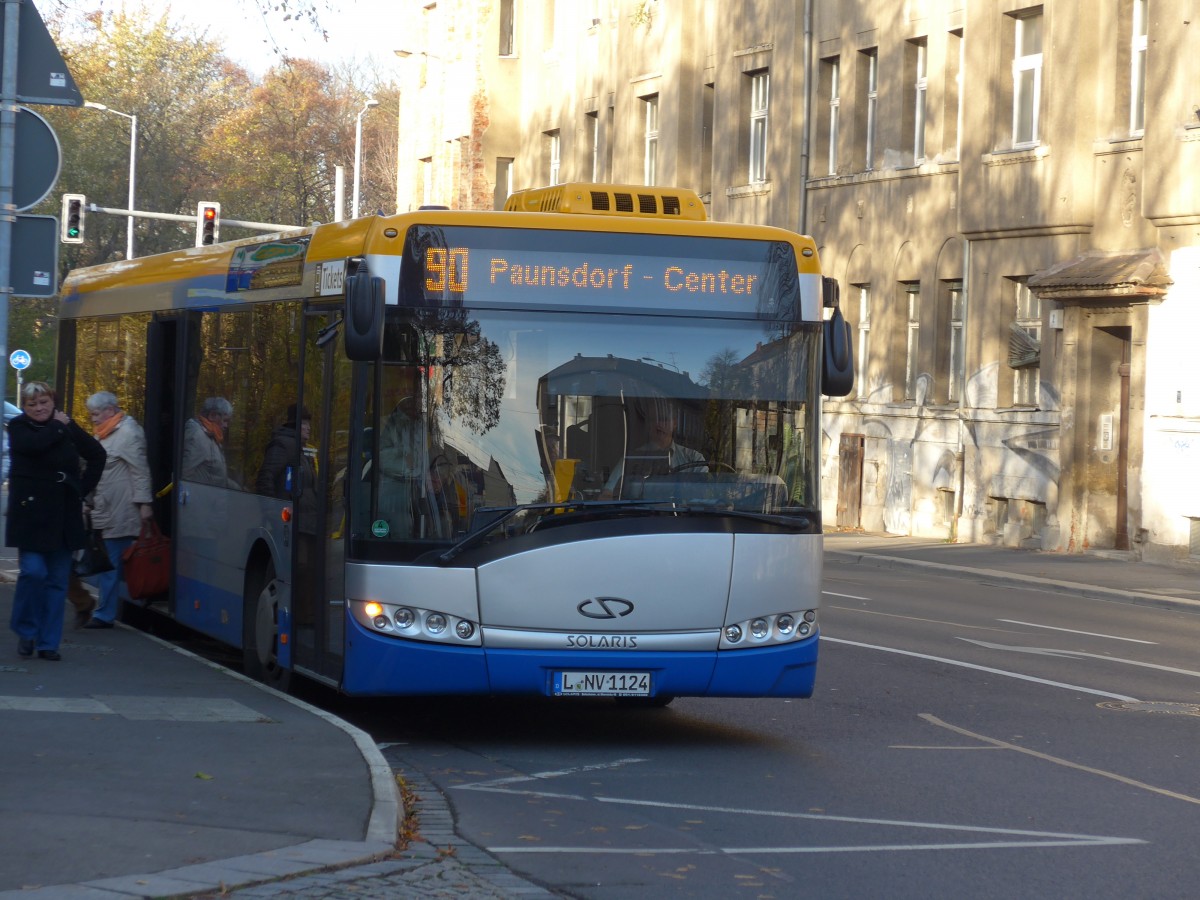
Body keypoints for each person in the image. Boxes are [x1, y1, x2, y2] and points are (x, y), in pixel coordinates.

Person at [6, 382, 106, 661]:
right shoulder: (19, 427)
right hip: (30, 516)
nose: (39, 408)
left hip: (64, 514)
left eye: (44, 403)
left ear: (53, 402)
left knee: (57, 581)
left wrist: (80, 489)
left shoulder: (65, 425)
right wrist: (60, 426)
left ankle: (48, 643)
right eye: (32, 404)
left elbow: (97, 455)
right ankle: (26, 630)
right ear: (24, 407)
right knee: (33, 573)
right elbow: (34, 446)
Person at [82, 391, 154, 629]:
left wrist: (145, 504)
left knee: (109, 565)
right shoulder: (104, 433)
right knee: (107, 564)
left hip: (120, 511)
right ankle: (107, 610)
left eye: (95, 414)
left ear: (110, 411)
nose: (93, 418)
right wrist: (88, 500)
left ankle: (105, 614)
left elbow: (140, 471)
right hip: (104, 509)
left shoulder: (128, 433)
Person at [601, 397, 704, 499]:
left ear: (675, 423)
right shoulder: (630, 459)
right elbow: (607, 494)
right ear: (647, 424)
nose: (658, 425)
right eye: (653, 420)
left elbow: (704, 494)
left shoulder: (694, 458)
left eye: (664, 419)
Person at [256, 403, 317, 528]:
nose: (309, 428)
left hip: (306, 523)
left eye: (309, 424)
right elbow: (265, 477)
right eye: (304, 424)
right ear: (295, 425)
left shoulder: (303, 450)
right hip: (291, 525)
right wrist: (272, 512)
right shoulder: (283, 445)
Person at [181, 397, 237, 487]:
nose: (226, 426)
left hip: (212, 495)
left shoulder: (213, 437)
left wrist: (238, 489)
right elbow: (184, 476)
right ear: (212, 415)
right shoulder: (197, 436)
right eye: (225, 421)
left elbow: (216, 476)